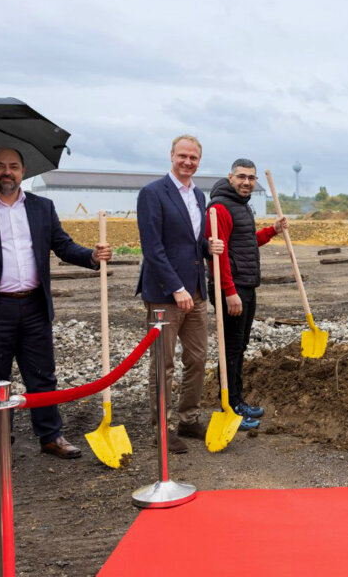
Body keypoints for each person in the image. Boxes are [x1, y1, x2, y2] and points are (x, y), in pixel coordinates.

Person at [0, 147, 112, 459]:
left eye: (14, 166)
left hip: (33, 305)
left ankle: (50, 435)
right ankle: (1, 439)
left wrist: (91, 256)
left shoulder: (41, 206)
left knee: (43, 375)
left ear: (23, 171)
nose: (8, 172)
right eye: (1, 166)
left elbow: (62, 245)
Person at [136, 135, 223, 454]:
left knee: (198, 359)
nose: (188, 162)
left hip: (196, 291)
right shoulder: (152, 193)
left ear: (199, 161)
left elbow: (190, 240)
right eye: (183, 156)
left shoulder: (199, 196)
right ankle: (161, 427)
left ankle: (188, 419)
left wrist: (207, 246)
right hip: (164, 292)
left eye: (194, 158)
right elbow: (154, 248)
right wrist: (177, 289)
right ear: (171, 156)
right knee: (163, 364)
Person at [206, 159, 287, 430]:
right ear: (230, 177)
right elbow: (219, 257)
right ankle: (229, 406)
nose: (246, 182)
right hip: (232, 288)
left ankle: (238, 401)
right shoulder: (219, 208)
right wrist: (230, 292)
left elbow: (247, 241)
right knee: (230, 348)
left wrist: (273, 231)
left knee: (239, 346)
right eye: (241, 176)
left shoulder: (241, 206)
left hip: (246, 285)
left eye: (251, 178)